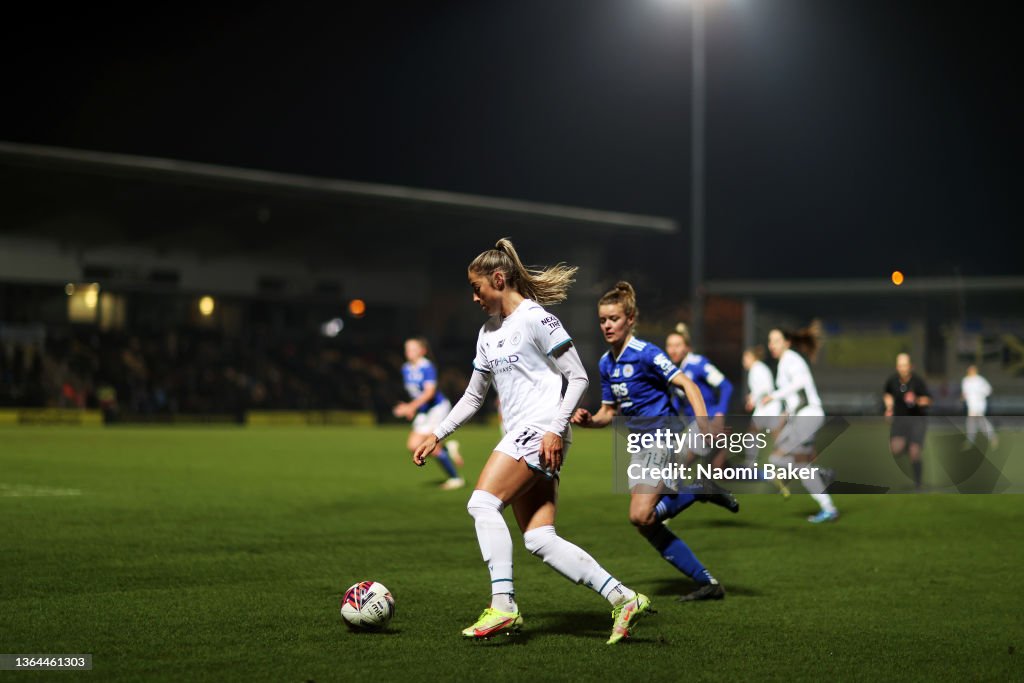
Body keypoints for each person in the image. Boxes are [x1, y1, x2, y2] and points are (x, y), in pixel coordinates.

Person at [412, 239, 651, 644]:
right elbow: (474, 396)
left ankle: (503, 605)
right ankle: (623, 598)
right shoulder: (487, 333)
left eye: (477, 287)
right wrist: (437, 433)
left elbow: (578, 377)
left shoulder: (537, 319)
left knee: (482, 503)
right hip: (526, 435)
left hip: (541, 430)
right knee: (540, 539)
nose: (474, 296)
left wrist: (555, 428)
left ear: (499, 279)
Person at [572, 282, 737, 602]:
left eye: (613, 319)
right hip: (637, 445)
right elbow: (608, 412)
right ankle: (708, 582)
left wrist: (703, 424)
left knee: (639, 515)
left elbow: (687, 383)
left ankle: (699, 489)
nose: (606, 325)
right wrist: (590, 421)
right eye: (602, 320)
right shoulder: (607, 364)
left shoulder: (647, 353)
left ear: (630, 319)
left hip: (660, 438)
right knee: (646, 522)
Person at [762, 327, 839, 523]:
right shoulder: (784, 362)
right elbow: (793, 399)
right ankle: (828, 506)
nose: (772, 345)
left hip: (809, 414)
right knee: (795, 465)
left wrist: (773, 396)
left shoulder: (791, 359)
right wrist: (783, 416)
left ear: (787, 342)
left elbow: (800, 383)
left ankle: (821, 474)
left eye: (776, 340)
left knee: (777, 460)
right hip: (802, 416)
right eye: (770, 341)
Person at [393, 337, 464, 490]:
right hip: (424, 410)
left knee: (431, 446)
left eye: (413, 349)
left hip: (437, 408)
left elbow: (429, 393)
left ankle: (455, 478)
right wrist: (413, 408)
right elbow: (416, 394)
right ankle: (448, 448)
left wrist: (410, 407)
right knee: (413, 445)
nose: (409, 352)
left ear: (422, 351)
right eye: (407, 349)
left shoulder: (427, 367)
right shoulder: (405, 368)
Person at [664, 323, 734, 472]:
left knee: (674, 469)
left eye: (677, 345)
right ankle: (769, 476)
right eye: (670, 345)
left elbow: (726, 386)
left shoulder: (697, 363)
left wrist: (719, 414)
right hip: (694, 425)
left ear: (687, 347)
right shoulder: (675, 369)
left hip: (708, 421)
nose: (673, 349)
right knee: (721, 472)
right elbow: (678, 402)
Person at [883, 353, 931, 490]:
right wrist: (889, 408)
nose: (903, 368)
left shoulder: (918, 381)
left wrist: (916, 400)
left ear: (910, 366)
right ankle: (909, 444)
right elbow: (887, 394)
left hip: (917, 421)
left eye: (905, 365)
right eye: (900, 366)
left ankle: (918, 483)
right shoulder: (892, 381)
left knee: (914, 452)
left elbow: (928, 400)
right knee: (895, 449)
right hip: (899, 421)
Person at [742, 345, 783, 468]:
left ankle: (751, 463)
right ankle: (751, 463)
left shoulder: (757, 369)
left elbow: (765, 388)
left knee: (773, 434)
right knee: (757, 432)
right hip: (766, 407)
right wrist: (752, 397)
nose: (743, 361)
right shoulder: (758, 368)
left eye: (745, 358)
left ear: (751, 357)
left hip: (768, 407)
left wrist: (752, 400)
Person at [961, 365, 998, 449]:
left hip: (979, 405)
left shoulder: (980, 380)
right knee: (972, 422)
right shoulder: (965, 380)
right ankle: (971, 440)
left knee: (979, 421)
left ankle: (992, 437)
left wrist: (980, 395)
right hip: (971, 405)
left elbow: (988, 390)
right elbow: (965, 393)